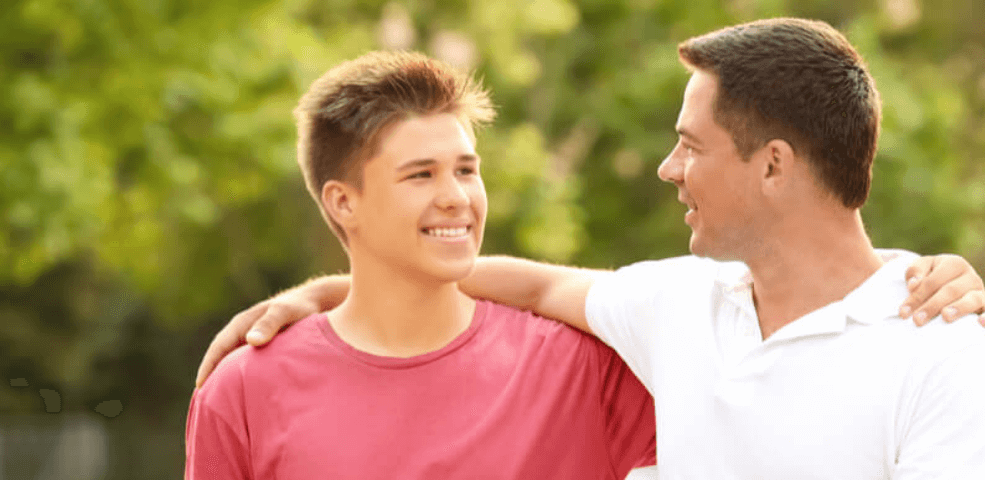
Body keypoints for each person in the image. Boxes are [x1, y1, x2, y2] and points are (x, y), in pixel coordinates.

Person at [196, 19, 985, 479]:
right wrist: (332, 293)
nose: (669, 169)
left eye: (690, 146)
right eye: (421, 174)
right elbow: (532, 282)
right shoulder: (681, 306)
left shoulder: (943, 356)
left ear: (773, 165)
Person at [185, 51, 659, 479]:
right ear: (344, 203)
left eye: (466, 170)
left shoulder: (584, 370)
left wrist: (331, 289)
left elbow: (707, 310)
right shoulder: (244, 390)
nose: (457, 197)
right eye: (421, 175)